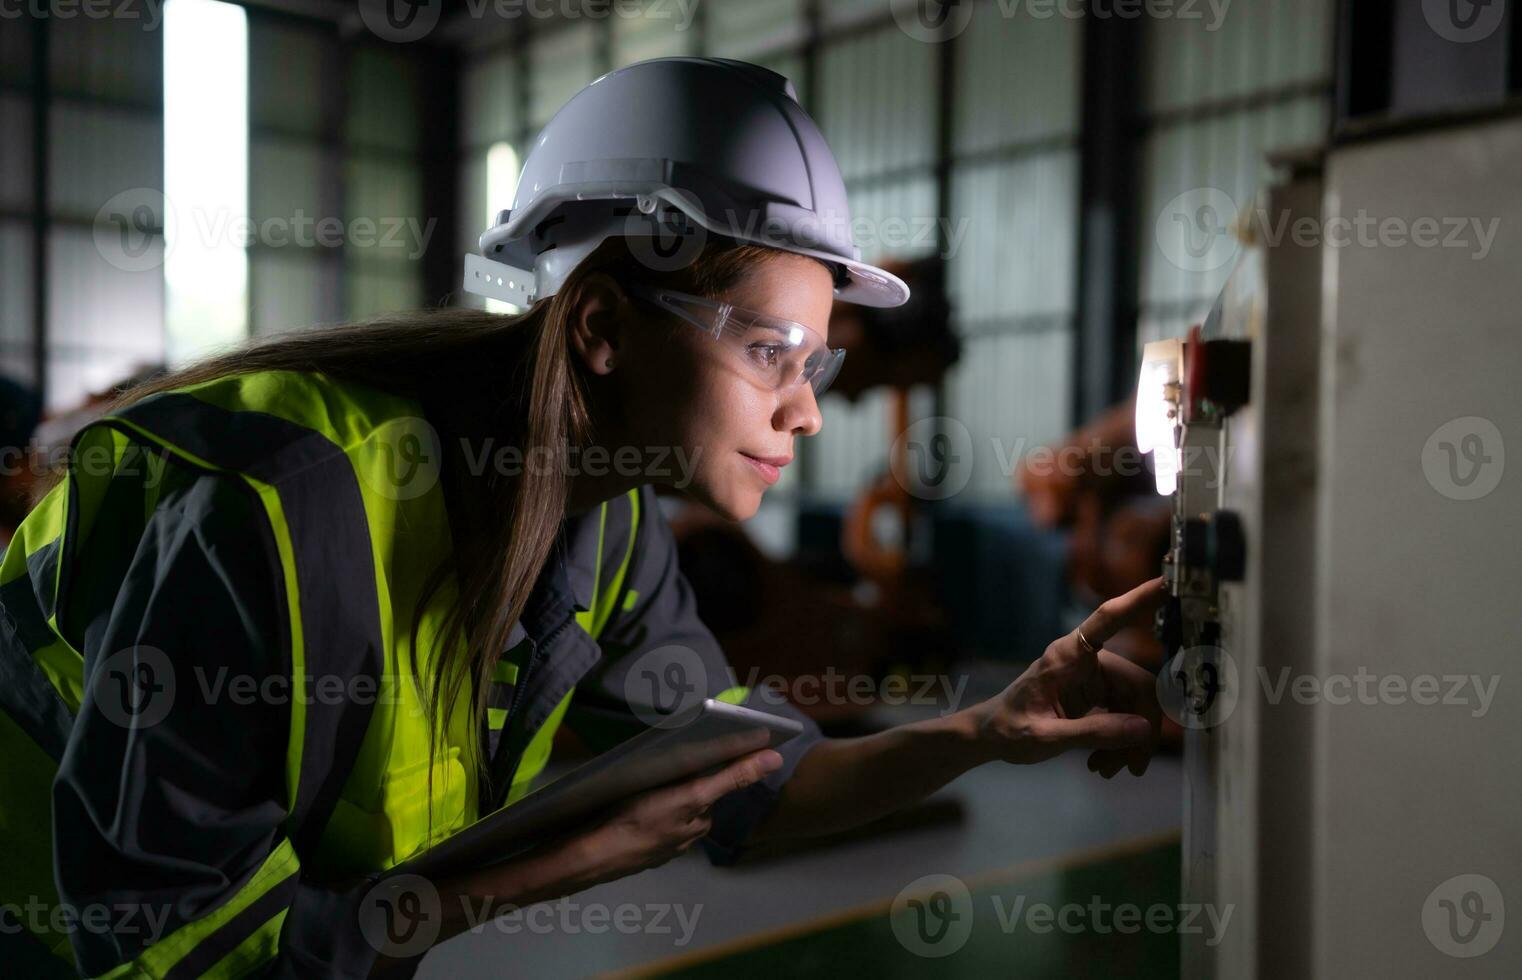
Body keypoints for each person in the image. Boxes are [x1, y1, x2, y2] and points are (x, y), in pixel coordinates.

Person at [0, 58, 1165, 979]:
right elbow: (165, 943)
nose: (807, 414)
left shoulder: (605, 532)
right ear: (601, 327)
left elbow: (751, 784)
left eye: (817, 365)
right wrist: (538, 872)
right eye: (772, 353)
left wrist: (985, 730)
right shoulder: (272, 512)